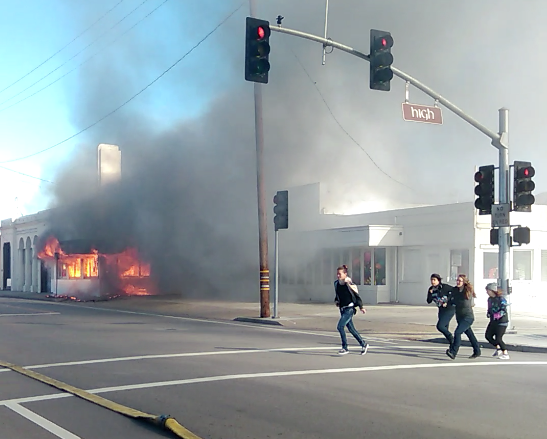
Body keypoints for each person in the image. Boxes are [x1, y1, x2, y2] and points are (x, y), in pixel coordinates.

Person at [334, 265, 368, 356]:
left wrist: (361, 307)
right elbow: (338, 295)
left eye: (340, 274)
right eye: (337, 274)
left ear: (345, 274)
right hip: (342, 309)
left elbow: (357, 296)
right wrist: (337, 301)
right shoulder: (336, 284)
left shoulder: (349, 284)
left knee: (340, 326)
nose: (338, 275)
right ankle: (363, 344)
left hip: (349, 309)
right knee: (351, 329)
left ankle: (345, 348)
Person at [446, 274, 481, 360]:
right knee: (470, 334)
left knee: (457, 332)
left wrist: (454, 301)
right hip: (459, 316)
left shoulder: (467, 291)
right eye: (457, 280)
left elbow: (464, 303)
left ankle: (453, 352)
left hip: (467, 317)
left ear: (464, 282)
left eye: (460, 281)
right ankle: (477, 351)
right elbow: (450, 299)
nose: (458, 282)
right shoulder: (455, 290)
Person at [426, 273, 455, 345]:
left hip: (449, 308)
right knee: (445, 327)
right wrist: (430, 293)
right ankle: (452, 344)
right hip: (441, 309)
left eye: (434, 280)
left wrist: (447, 300)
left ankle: (452, 338)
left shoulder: (444, 287)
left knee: (440, 326)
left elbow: (453, 291)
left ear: (438, 280)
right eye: (431, 280)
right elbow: (429, 301)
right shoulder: (431, 289)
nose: (433, 281)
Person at [485, 282, 510, 360]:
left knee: (498, 338)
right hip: (493, 321)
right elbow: (489, 308)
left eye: (488, 290)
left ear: (493, 290)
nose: (487, 292)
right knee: (488, 336)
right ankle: (498, 348)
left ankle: (505, 353)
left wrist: (497, 315)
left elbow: (503, 309)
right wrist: (488, 313)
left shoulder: (501, 298)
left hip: (502, 321)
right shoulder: (489, 299)